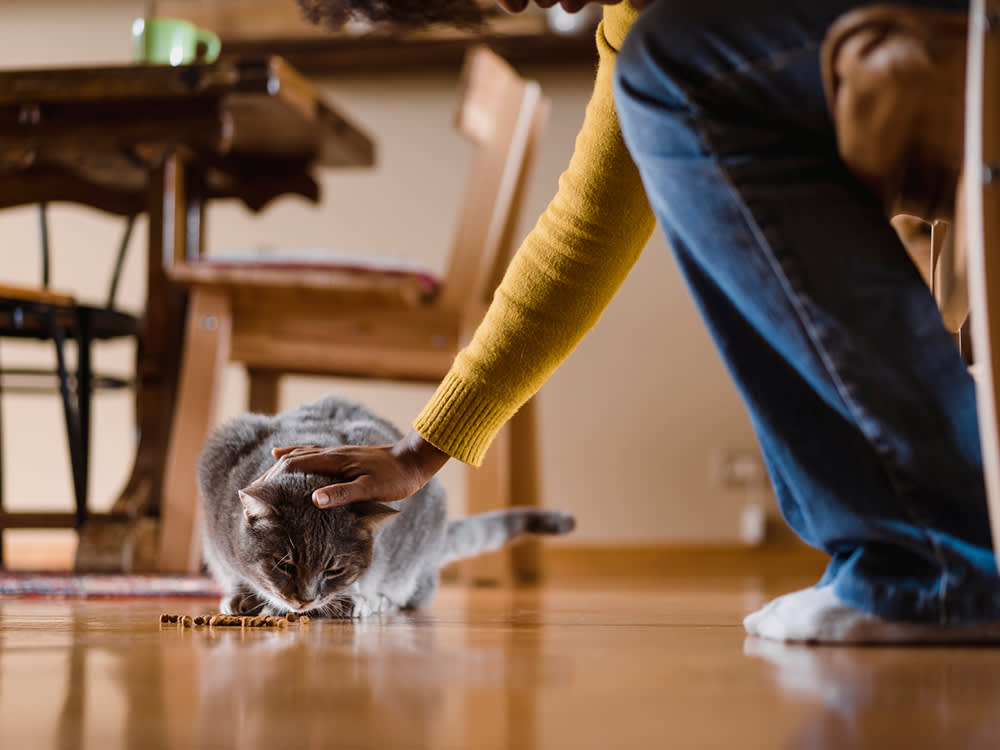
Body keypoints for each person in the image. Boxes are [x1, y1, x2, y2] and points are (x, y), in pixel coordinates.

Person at [265, 0, 1000, 643]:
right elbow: (583, 236)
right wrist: (421, 453)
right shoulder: (638, 30)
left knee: (681, 62)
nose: (527, 1)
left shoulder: (673, 46)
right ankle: (923, 555)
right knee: (671, 59)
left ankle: (930, 561)